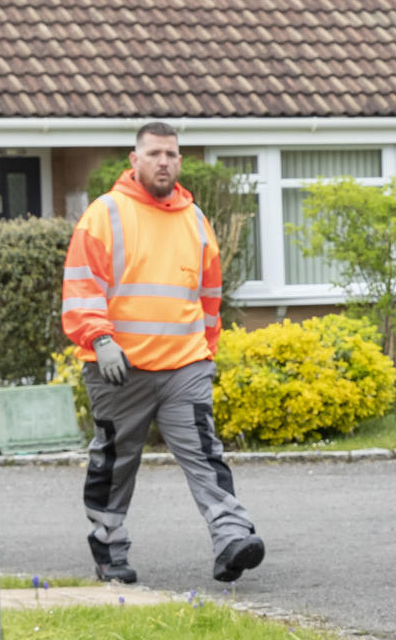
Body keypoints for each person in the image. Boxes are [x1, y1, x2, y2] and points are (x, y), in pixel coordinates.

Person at [64, 123, 265, 585]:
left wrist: (206, 353)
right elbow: (81, 288)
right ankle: (108, 544)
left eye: (171, 154)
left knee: (203, 452)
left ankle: (232, 536)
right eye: (154, 153)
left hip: (184, 365)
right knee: (116, 459)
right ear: (134, 161)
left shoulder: (194, 219)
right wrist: (99, 339)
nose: (163, 162)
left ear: (179, 161)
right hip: (119, 368)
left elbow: (209, 295)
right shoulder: (105, 214)